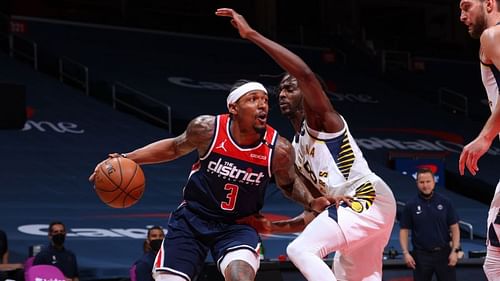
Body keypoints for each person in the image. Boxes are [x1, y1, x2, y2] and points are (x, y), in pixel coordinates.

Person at [216, 8, 397, 281]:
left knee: (300, 250)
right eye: (281, 90)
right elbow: (317, 210)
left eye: (291, 87)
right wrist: (271, 227)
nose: (282, 94)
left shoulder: (325, 122)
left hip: (367, 198)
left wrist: (252, 34)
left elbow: (305, 74)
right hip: (353, 210)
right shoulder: (296, 150)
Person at [89, 79, 326, 281]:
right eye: (253, 99)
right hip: (193, 219)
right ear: (234, 107)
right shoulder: (207, 130)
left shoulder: (279, 149)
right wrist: (127, 158)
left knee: (240, 275)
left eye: (264, 99)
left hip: (238, 225)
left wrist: (310, 201)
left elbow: (288, 183)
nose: (263, 104)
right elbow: (173, 148)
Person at [459, 1, 500, 279]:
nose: (462, 16)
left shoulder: (492, 35)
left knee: (495, 262)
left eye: (466, 6)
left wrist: (485, 137)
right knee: (494, 261)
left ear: (489, 3)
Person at [399, 168, 460, 281]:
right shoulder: (410, 205)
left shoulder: (445, 202)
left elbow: (455, 228)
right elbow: (404, 230)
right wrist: (405, 253)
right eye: (422, 182)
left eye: (428, 181)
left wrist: (455, 251)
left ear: (434, 182)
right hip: (421, 256)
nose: (425, 185)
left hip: (444, 254)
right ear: (417, 183)